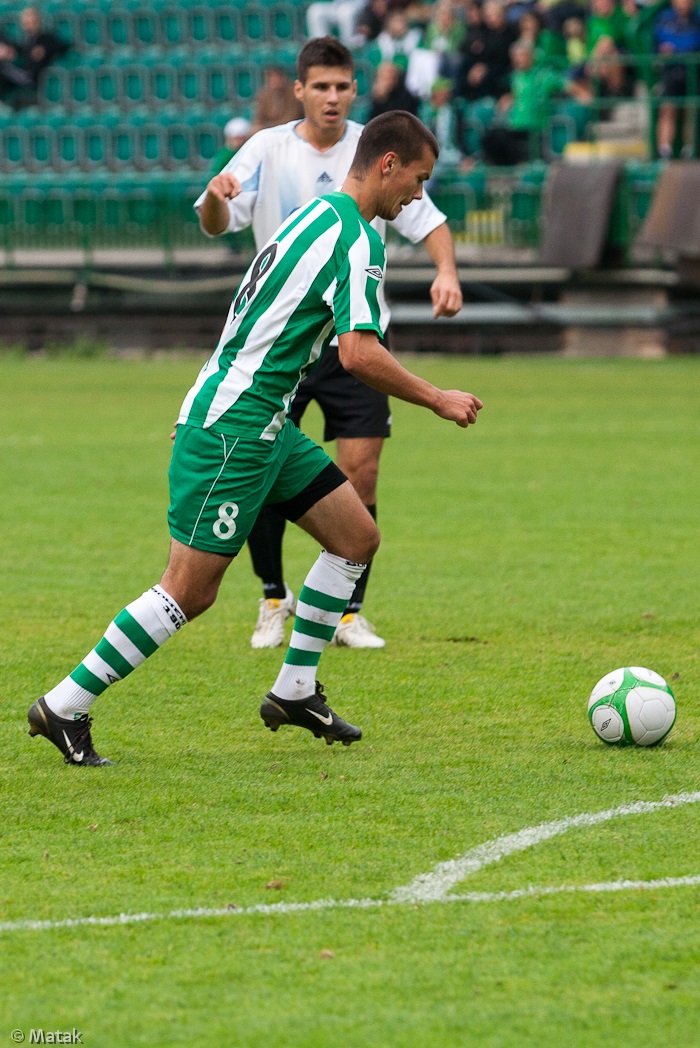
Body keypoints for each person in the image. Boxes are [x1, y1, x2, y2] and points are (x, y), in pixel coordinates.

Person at [27, 110, 484, 768]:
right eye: (417, 180)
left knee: (356, 538)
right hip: (237, 426)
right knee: (189, 589)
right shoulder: (358, 239)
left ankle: (295, 690)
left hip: (256, 417)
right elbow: (357, 354)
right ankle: (64, 705)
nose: (418, 195)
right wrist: (437, 397)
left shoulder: (312, 214)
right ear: (387, 165)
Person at [195, 37, 464, 651]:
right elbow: (217, 223)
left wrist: (445, 271)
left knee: (360, 473)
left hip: (356, 328)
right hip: (285, 343)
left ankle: (346, 613)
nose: (334, 97)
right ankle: (272, 598)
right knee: (259, 468)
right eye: (321, 86)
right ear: (300, 91)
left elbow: (432, 221)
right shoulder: (267, 148)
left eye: (343, 86)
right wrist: (214, 198)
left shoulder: (381, 149)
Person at [653, 0, 700, 157]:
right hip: (670, 72)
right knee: (667, 108)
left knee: (691, 109)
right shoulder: (664, 18)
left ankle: (689, 150)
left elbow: (693, 42)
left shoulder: (697, 19)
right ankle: (664, 151)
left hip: (693, 73)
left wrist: (677, 50)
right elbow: (660, 42)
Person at [250, 65, 303, 134]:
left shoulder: (293, 94)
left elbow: (291, 118)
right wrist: (257, 126)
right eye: (270, 78)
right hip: (269, 129)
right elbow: (259, 117)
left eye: (277, 77)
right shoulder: (264, 95)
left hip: (290, 130)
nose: (274, 81)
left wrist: (267, 126)